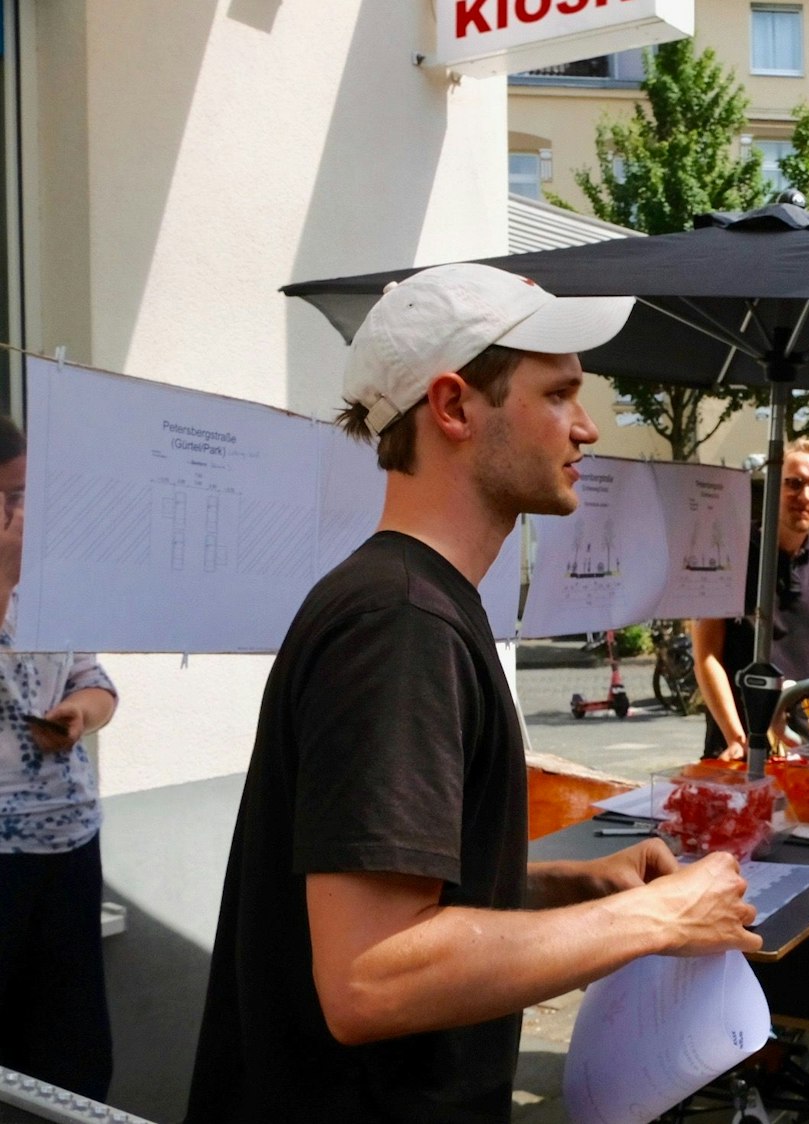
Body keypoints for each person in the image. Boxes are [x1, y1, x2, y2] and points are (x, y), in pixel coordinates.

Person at [185, 263, 759, 1122]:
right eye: (559, 395)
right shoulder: (400, 623)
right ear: (453, 408)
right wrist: (662, 919)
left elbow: (400, 895)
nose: (587, 428)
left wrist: (568, 888)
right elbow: (371, 977)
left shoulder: (411, 603)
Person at [0, 417, 121, 1100]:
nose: (22, 514)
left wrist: (82, 712)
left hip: (69, 836)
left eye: (26, 494)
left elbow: (93, 677)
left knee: (69, 1054)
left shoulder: (50, 577)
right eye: (6, 498)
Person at [694, 437, 809, 759]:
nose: (804, 496)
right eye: (794, 483)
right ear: (774, 488)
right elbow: (707, 655)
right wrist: (737, 737)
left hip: (808, 741)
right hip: (740, 737)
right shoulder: (732, 551)